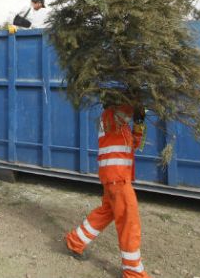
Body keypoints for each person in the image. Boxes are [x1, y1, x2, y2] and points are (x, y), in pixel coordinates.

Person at [64, 98, 151, 278]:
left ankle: (75, 241)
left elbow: (135, 144)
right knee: (129, 221)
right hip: (117, 179)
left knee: (107, 212)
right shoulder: (109, 116)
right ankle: (133, 272)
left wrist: (140, 123)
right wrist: (137, 103)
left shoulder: (122, 126)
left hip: (116, 178)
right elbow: (126, 111)